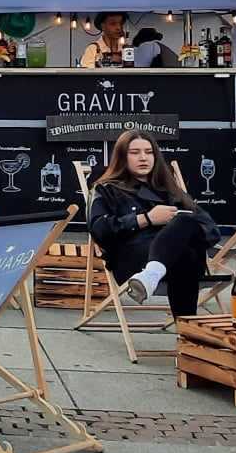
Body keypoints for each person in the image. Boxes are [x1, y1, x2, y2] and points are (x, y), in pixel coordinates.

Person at [87, 130, 220, 315]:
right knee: (186, 253)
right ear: (122, 157)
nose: (143, 158)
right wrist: (146, 219)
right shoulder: (107, 189)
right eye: (135, 152)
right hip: (134, 260)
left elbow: (211, 229)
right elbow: (99, 230)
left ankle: (152, 274)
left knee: (184, 224)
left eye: (149, 152)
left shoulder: (169, 189)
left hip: (175, 263)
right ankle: (187, 332)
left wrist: (178, 229)